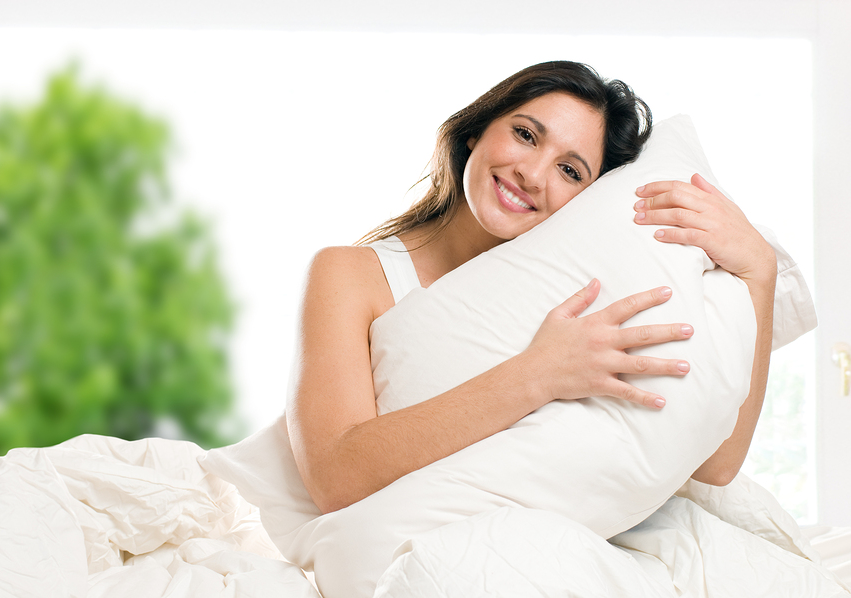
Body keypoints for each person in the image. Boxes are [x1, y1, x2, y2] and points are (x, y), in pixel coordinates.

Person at [286, 61, 777, 515]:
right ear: (477, 127)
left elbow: (715, 465)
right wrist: (538, 373)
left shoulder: (591, 304)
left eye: (570, 170)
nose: (532, 174)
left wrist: (761, 272)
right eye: (525, 135)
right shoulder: (350, 275)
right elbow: (335, 479)